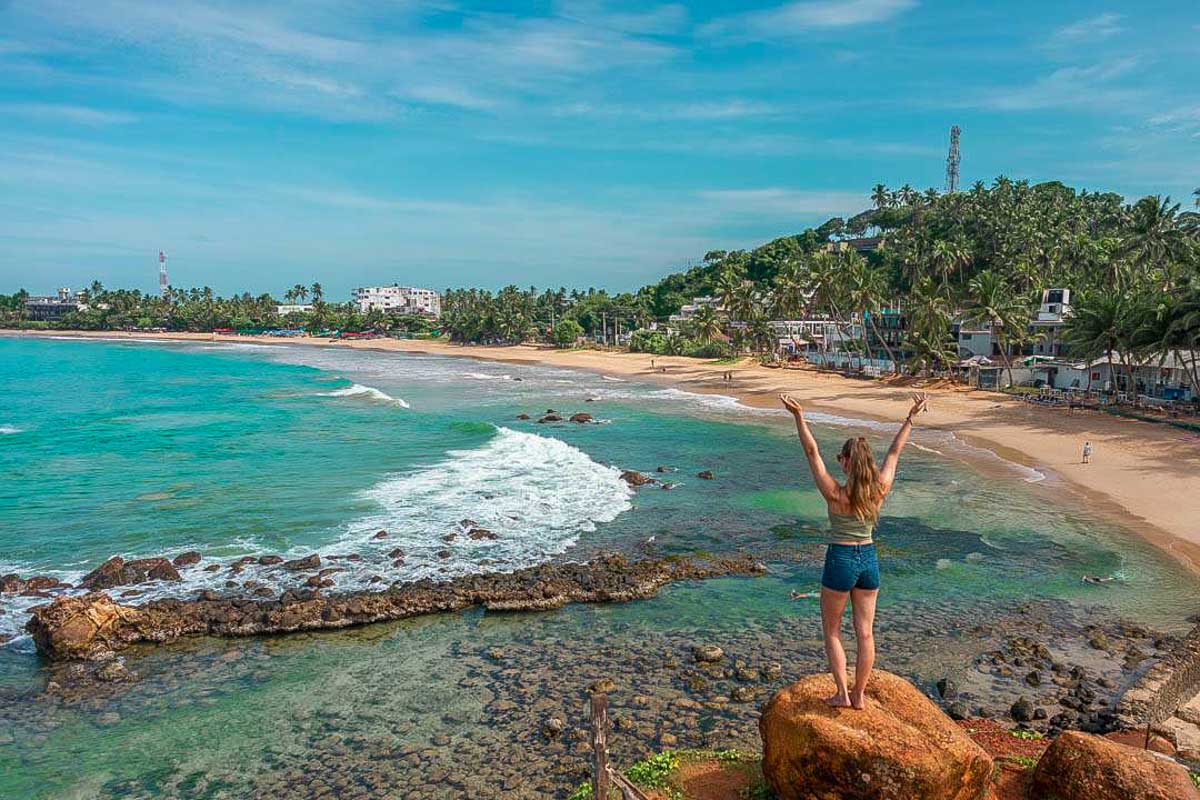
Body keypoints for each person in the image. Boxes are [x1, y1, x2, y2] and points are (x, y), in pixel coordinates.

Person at [780, 391, 928, 709]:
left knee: (832, 632)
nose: (837, 461)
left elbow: (810, 451)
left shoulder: (835, 493)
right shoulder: (880, 490)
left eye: (840, 458)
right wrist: (910, 418)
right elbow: (895, 452)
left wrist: (799, 416)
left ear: (847, 463)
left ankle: (842, 694)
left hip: (841, 559)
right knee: (865, 634)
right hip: (869, 559)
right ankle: (859, 695)